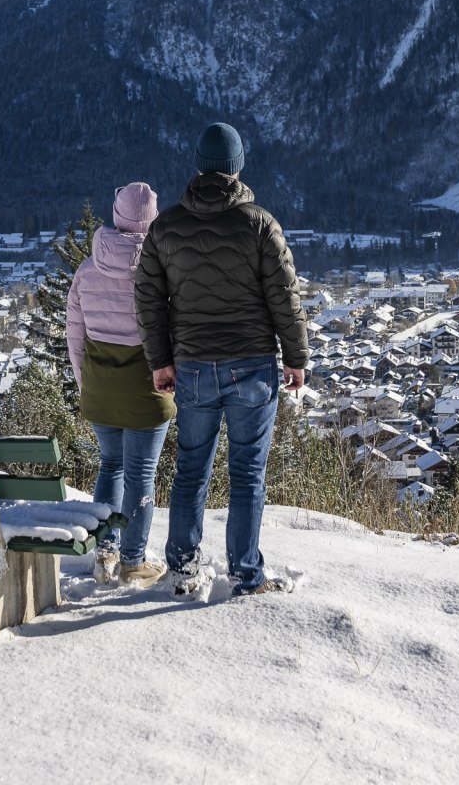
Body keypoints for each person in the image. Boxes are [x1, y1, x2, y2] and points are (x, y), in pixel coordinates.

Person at [136, 122, 310, 596]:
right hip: (252, 365)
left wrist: (160, 360)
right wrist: (295, 357)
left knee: (191, 469)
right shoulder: (259, 224)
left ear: (198, 166)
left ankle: (183, 567)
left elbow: (148, 299)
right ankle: (246, 574)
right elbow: (285, 298)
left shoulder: (165, 227)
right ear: (237, 168)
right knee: (247, 472)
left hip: (192, 365)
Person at [65, 182, 176, 586]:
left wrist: (86, 382)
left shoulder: (86, 269)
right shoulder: (161, 268)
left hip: (100, 386)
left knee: (110, 466)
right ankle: (133, 560)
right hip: (147, 388)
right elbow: (173, 332)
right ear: (152, 222)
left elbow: (75, 336)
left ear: (116, 215)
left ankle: (105, 552)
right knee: (141, 474)